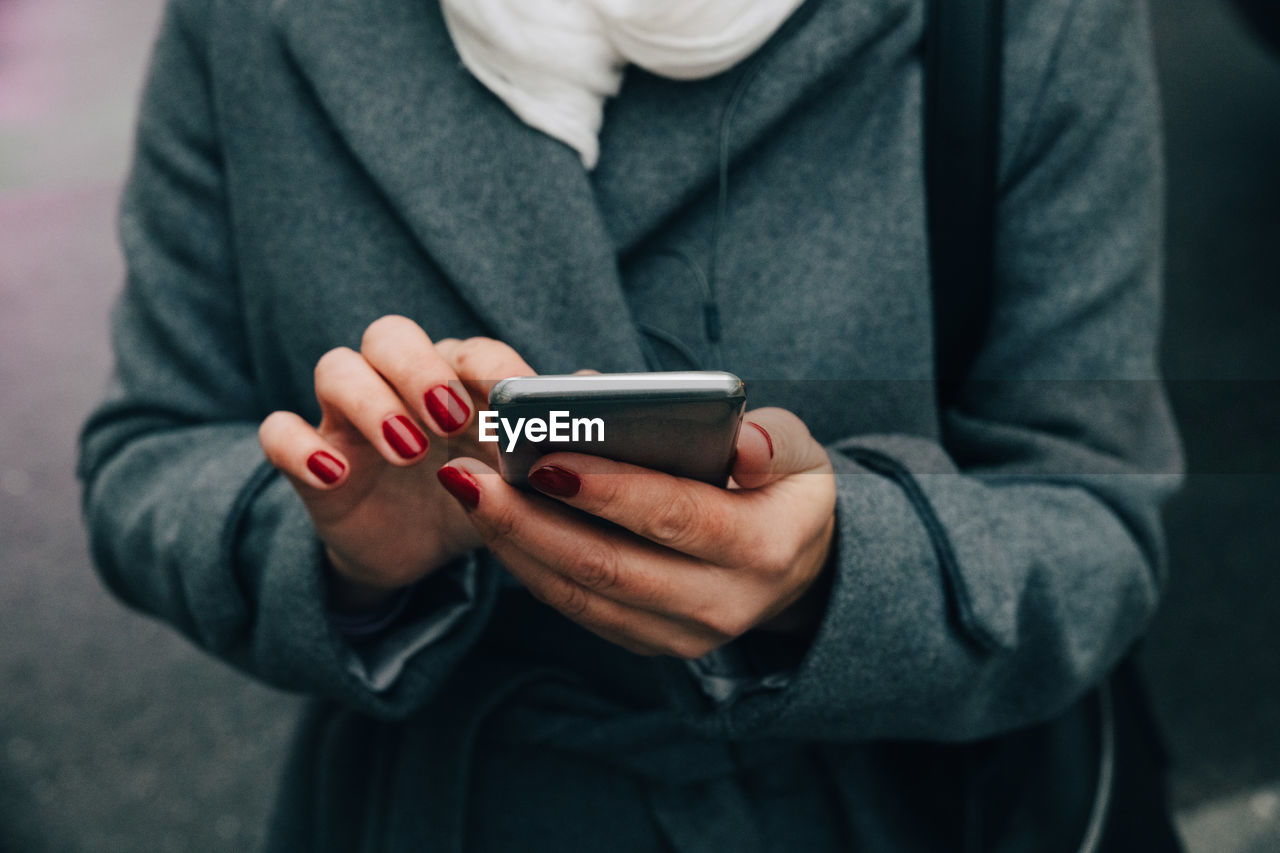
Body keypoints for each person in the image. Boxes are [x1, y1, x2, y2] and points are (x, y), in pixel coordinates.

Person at [78, 0, 1184, 850]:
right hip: (444, 805)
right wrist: (347, 560)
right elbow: (148, 453)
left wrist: (837, 571)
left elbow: (1094, 522)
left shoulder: (1027, 17)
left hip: (888, 810)